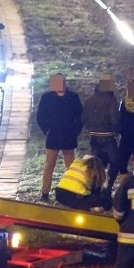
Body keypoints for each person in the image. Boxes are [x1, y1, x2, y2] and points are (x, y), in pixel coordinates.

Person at [35, 72, 83, 202]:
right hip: (53, 136)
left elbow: (80, 117)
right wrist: (48, 130)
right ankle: (45, 193)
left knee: (71, 166)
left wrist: (75, 131)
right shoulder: (47, 98)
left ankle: (72, 192)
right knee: (49, 165)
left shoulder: (73, 97)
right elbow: (40, 117)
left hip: (68, 136)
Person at [82, 74, 121, 194]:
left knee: (98, 165)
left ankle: (95, 189)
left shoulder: (89, 100)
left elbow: (83, 118)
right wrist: (116, 131)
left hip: (94, 138)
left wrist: (91, 129)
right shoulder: (111, 100)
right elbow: (116, 120)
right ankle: (107, 188)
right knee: (115, 163)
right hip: (108, 138)